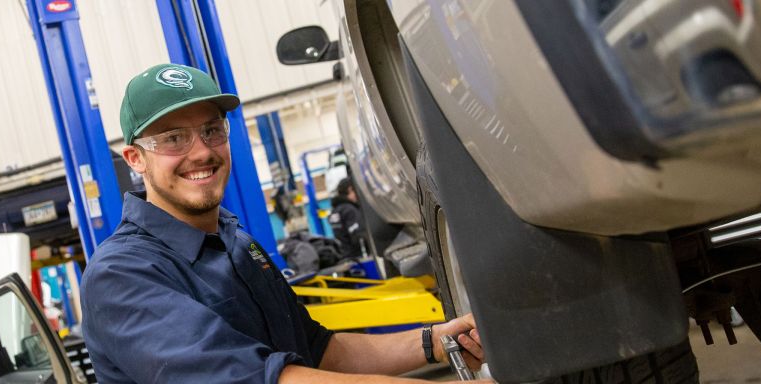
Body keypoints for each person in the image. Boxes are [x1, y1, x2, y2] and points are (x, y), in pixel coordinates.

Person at [80, 63, 487, 383]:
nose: (202, 152)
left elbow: (319, 350)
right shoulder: (122, 276)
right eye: (173, 139)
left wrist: (437, 340)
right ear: (135, 159)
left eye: (211, 131)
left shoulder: (237, 244)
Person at [329, 177, 369, 261]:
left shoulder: (335, 211)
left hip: (346, 257)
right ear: (350, 189)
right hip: (359, 258)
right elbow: (359, 236)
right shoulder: (350, 210)